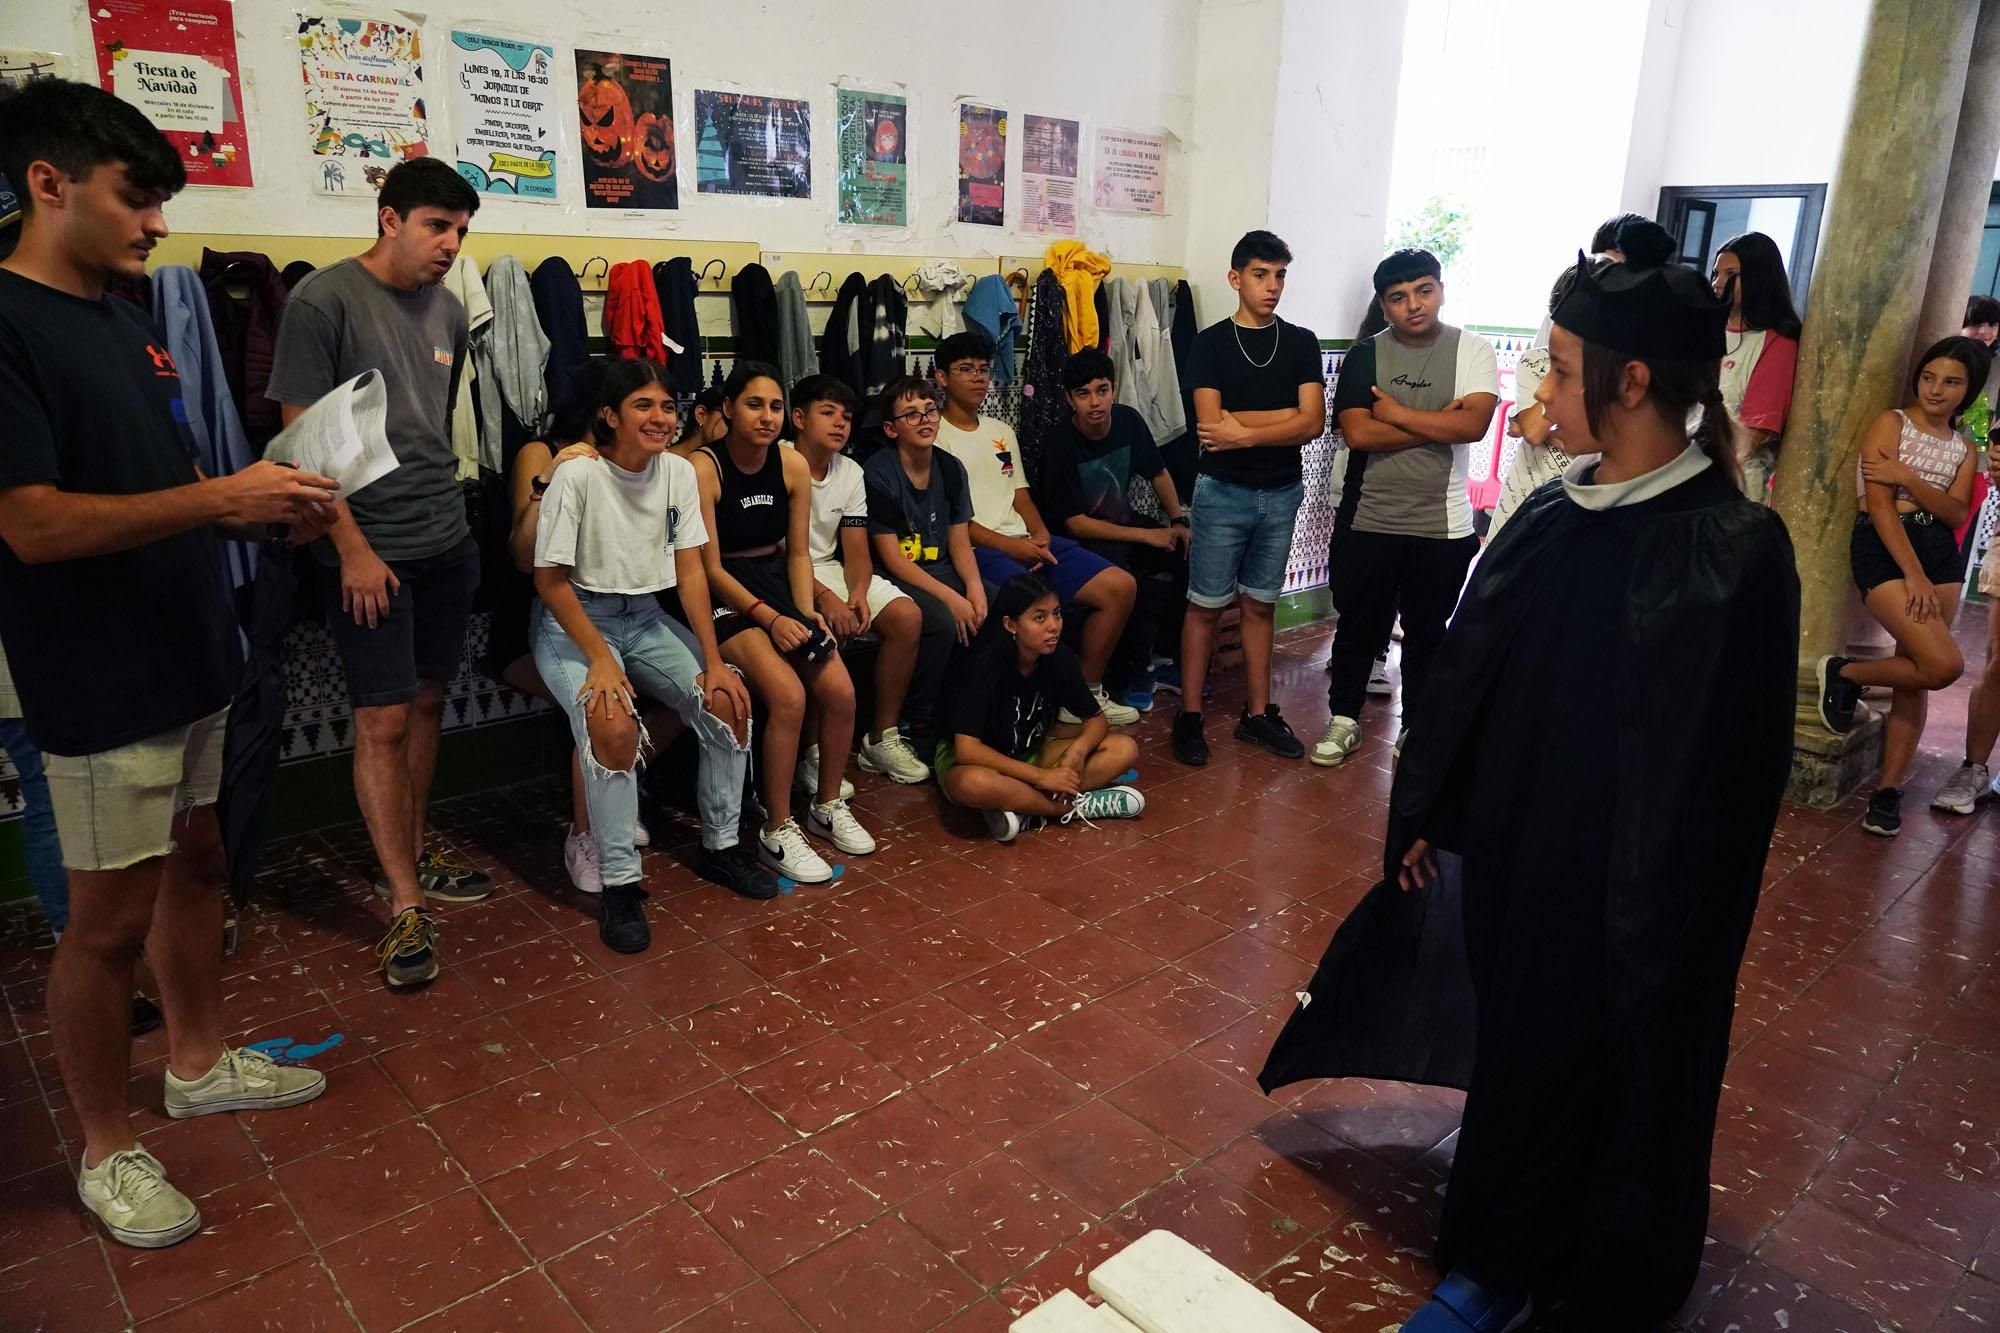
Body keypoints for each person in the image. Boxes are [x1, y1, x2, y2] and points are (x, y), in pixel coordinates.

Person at [1261, 229, 1799, 1331]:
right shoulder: (1555, 513)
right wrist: (1424, 809)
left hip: (1635, 896)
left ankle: (1602, 1278)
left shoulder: (1732, 551)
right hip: (1525, 855)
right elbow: (1463, 675)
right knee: (1520, 1057)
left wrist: (1667, 915)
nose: (1544, 393)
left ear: (1631, 379)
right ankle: (1496, 1257)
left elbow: (1735, 773)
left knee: (1624, 1077)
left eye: (1559, 369)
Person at [0, 78, 336, 1248]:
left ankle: (195, 1063)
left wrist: (247, 518)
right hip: (98, 674)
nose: (154, 224)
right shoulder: (5, 325)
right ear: (49, 183)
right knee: (101, 922)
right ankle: (105, 1144)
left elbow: (149, 493)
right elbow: (33, 524)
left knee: (198, 862)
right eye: (134, 198)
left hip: (194, 648)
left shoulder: (126, 314)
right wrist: (218, 495)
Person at [267, 157, 492, 990]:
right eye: (437, 225)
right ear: (389, 217)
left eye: (461, 230)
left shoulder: (451, 308)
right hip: (370, 550)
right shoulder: (321, 301)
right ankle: (403, 902)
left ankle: (414, 845)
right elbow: (300, 448)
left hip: (444, 536)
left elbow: (431, 426)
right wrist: (353, 550)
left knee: (429, 701)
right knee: (382, 723)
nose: (450, 243)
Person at [533, 358, 776, 953]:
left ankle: (720, 847)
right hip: (575, 622)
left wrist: (715, 660)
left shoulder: (676, 473)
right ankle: (619, 884)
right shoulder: (579, 475)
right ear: (609, 415)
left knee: (728, 704)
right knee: (612, 726)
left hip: (644, 616)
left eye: (667, 406)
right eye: (642, 406)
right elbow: (550, 580)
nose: (659, 417)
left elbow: (691, 569)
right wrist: (599, 658)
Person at [683, 362, 874, 884]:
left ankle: (828, 805)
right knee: (788, 695)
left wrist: (803, 609)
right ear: (728, 409)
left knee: (839, 690)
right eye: (753, 405)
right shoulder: (704, 468)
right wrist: (769, 619)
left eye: (773, 406)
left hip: (773, 580)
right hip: (724, 593)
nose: (766, 417)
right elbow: (709, 567)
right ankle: (778, 826)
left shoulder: (790, 465)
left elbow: (796, 554)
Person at [1315, 248, 1500, 767]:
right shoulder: (1366, 354)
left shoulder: (1473, 350)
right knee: (1357, 624)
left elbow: (1473, 426)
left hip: (1442, 525)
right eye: (1398, 297)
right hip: (1368, 516)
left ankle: (1416, 727)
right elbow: (1357, 432)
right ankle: (1343, 720)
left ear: (1440, 288)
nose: (1413, 305)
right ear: (1384, 304)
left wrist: (1394, 413)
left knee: (1426, 632)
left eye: (1424, 290)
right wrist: (1431, 420)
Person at [1816, 337, 1987, 836]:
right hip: (1886, 544)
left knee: (1918, 670)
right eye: (1929, 376)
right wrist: (1912, 571)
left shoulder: (1965, 447)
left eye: (1952, 381)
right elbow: (1881, 504)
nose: (1936, 389)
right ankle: (1847, 672)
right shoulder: (1891, 422)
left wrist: (1908, 475)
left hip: (1941, 554)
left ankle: (1887, 791)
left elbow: (1956, 513)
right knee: (1941, 665)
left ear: (1968, 391)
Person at [932, 330, 1141, 726]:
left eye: (983, 370)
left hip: (1025, 539)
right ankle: (1027, 707)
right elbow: (954, 523)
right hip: (980, 550)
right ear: (941, 378)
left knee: (1120, 586)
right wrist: (1015, 549)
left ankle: (1085, 694)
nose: (978, 378)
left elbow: (1020, 495)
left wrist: (1040, 534)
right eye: (965, 370)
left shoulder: (1001, 431)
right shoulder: (934, 437)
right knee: (1036, 607)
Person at [1174, 230, 1326, 765]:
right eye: (1261, 275)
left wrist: (1248, 431)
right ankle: (1190, 716)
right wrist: (1281, 420)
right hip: (1222, 493)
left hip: (1282, 493)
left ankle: (1257, 715)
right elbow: (1210, 426)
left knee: (1261, 605)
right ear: (1235, 278)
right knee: (1204, 607)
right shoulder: (1211, 343)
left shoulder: (1302, 341)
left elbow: (1314, 423)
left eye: (1280, 274)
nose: (1273, 286)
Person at [792, 372, 938, 784]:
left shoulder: (850, 471)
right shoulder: (781, 462)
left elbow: (856, 550)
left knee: (907, 616)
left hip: (833, 569)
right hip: (788, 574)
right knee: (824, 631)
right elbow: (784, 551)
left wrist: (857, 592)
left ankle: (880, 738)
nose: (840, 423)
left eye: (846, 416)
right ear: (799, 418)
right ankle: (812, 751)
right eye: (828, 413)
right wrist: (825, 600)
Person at [938, 574, 1145, 843]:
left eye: (1057, 615)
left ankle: (1024, 809)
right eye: (1039, 618)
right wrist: (1042, 777)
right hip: (979, 761)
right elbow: (968, 750)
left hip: (1031, 751)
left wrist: (1076, 755)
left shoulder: (1058, 656)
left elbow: (1096, 721)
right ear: (1010, 624)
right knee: (971, 783)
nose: (1053, 627)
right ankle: (1066, 808)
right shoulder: (983, 665)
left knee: (1124, 748)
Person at [1039, 347, 1191, 712]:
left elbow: (1157, 472)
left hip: (1121, 524)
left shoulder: (1128, 421)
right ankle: (1135, 672)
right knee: (1129, 578)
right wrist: (1148, 535)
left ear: (1114, 389)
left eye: (1102, 390)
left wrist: (1177, 521)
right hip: (1077, 541)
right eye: (1083, 393)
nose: (1095, 402)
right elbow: (1076, 523)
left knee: (1184, 556)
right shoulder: (1059, 443)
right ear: (1069, 399)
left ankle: (1168, 661)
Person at [864, 376, 987, 755]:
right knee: (942, 620)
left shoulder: (950, 469)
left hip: (944, 568)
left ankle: (975, 714)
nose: (925, 420)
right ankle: (918, 721)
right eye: (911, 414)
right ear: (891, 428)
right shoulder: (878, 473)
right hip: (898, 574)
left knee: (1001, 608)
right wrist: (952, 599)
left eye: (930, 410)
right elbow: (892, 559)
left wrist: (975, 589)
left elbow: (960, 540)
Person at [1710, 232, 1802, 503]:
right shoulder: (1705, 330)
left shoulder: (1777, 342)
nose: (1718, 283)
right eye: (1716, 274)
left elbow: (1755, 433)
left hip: (1733, 477)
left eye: (1730, 275)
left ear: (1759, 279)